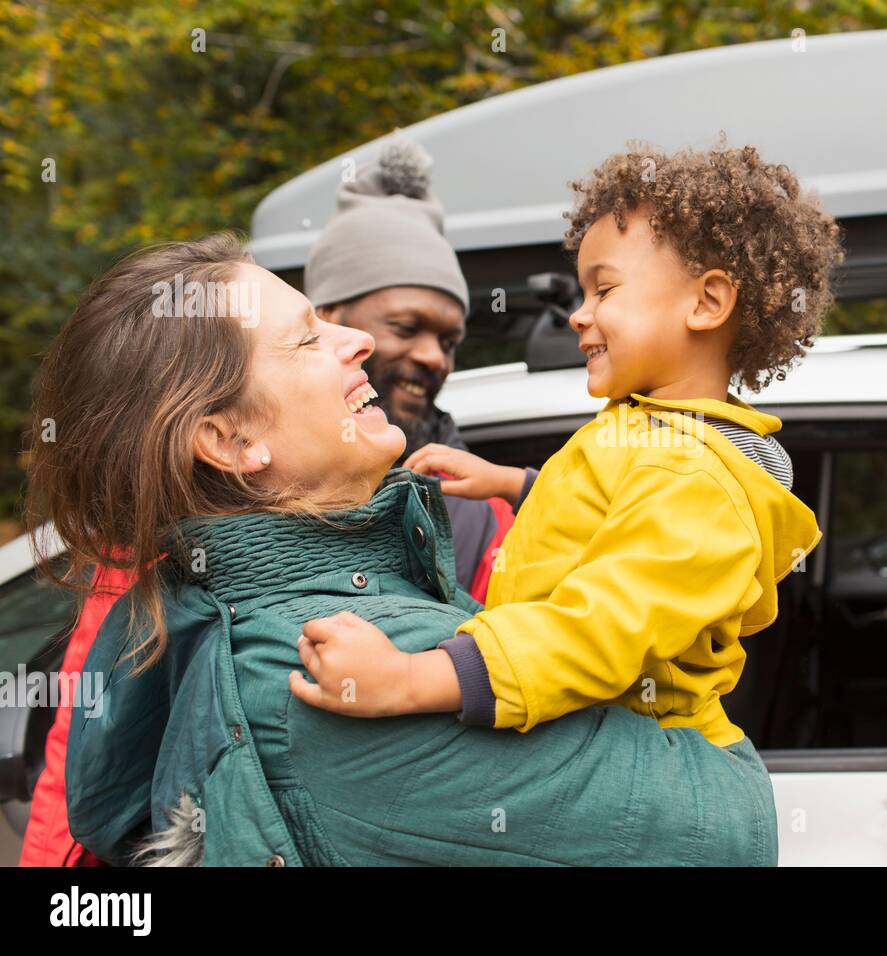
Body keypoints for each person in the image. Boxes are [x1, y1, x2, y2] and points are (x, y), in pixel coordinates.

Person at [33, 232, 781, 865]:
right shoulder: (333, 670)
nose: (356, 339)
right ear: (231, 441)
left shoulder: (286, 613)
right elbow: (729, 834)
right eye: (307, 336)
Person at [289, 142, 845, 755]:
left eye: (603, 291)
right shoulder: (656, 434)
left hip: (628, 755)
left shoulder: (696, 477)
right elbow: (610, 522)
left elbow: (597, 629)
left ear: (706, 303)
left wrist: (414, 679)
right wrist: (515, 485)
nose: (579, 316)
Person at [305, 137, 537, 602]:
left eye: (449, 342)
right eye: (408, 327)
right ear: (328, 316)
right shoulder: (241, 473)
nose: (435, 357)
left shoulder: (482, 510)